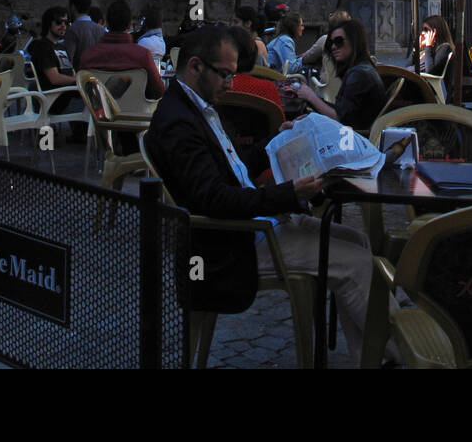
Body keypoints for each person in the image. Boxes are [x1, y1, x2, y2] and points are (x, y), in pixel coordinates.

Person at [143, 27, 392, 362]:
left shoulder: (195, 107)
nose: (231, 84)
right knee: (357, 263)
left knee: (357, 242)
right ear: (196, 67)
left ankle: (372, 357)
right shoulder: (178, 122)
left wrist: (278, 140)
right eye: (225, 75)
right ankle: (404, 350)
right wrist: (288, 193)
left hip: (257, 224)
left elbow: (235, 167)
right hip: (235, 243)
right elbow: (214, 200)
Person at [291, 18, 385, 131]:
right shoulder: (361, 70)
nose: (333, 47)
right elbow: (342, 112)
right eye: (331, 43)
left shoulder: (359, 75)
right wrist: (310, 116)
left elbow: (341, 119)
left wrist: (310, 96)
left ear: (354, 41)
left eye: (339, 41)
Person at [78, 0, 166, 99]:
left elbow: (83, 90)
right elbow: (158, 91)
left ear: (106, 24)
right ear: (129, 25)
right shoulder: (142, 55)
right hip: (136, 111)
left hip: (99, 111)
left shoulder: (88, 55)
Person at [28, 7, 80, 121]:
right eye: (58, 22)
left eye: (66, 22)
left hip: (67, 92)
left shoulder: (61, 47)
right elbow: (54, 78)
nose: (63, 26)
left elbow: (71, 71)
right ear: (48, 24)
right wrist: (78, 81)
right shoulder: (43, 47)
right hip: (54, 97)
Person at [416, 15, 461, 102]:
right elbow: (409, 65)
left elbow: (430, 71)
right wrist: (418, 48)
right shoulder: (429, 50)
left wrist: (428, 46)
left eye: (426, 30)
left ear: (435, 32)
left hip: (423, 86)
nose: (422, 33)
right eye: (423, 29)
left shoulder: (444, 48)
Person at [63, 0, 103, 70]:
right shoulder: (101, 30)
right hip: (99, 75)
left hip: (80, 76)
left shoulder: (72, 30)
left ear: (73, 7)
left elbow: (68, 60)